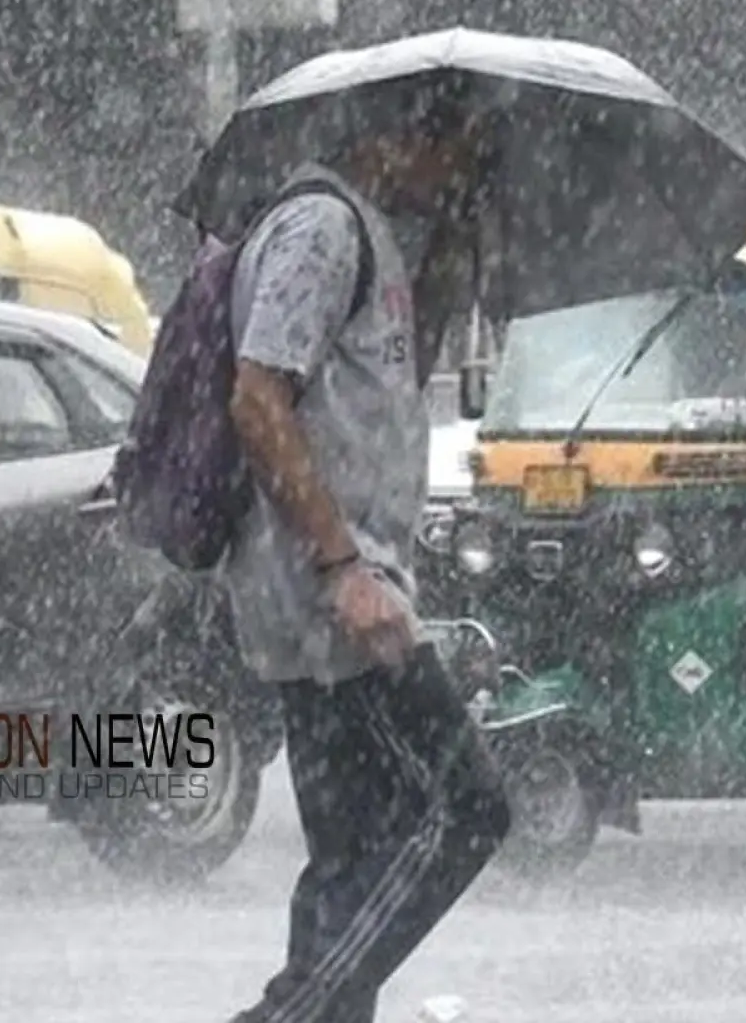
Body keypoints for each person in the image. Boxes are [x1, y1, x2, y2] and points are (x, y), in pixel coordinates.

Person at [222, 94, 513, 1023]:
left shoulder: (372, 235)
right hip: (334, 598)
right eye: (459, 154)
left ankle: (317, 1011)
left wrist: (457, 245)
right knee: (463, 806)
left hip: (344, 588)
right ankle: (287, 1017)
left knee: (353, 855)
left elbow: (389, 371)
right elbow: (257, 401)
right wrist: (343, 568)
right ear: (396, 136)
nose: (464, 176)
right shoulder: (321, 226)